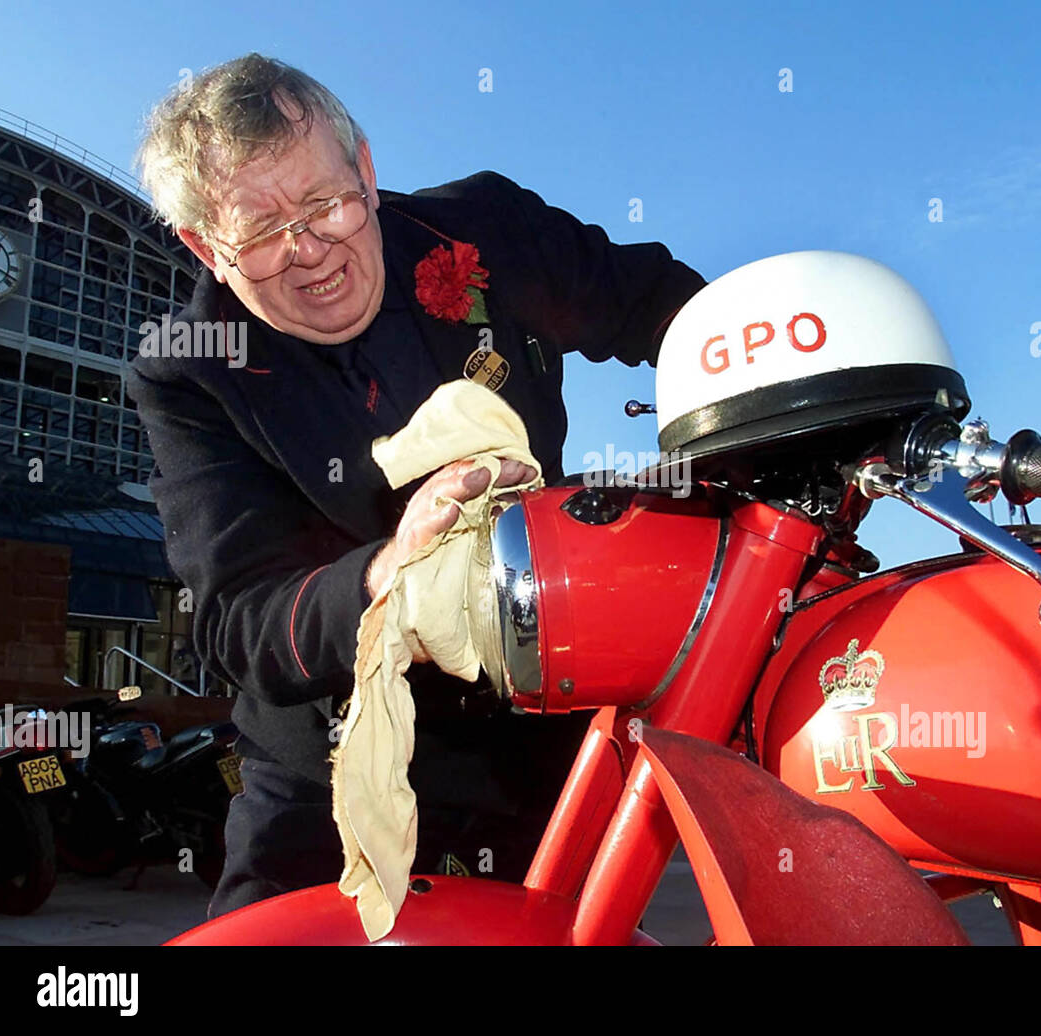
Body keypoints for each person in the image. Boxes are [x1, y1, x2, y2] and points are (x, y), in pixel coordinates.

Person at [127, 53, 706, 918]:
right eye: (259, 229)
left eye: (326, 202)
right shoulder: (190, 372)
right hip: (327, 773)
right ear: (204, 246)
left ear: (365, 165)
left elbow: (675, 310)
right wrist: (388, 571)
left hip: (534, 740)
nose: (310, 250)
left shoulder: (485, 229)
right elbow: (237, 621)